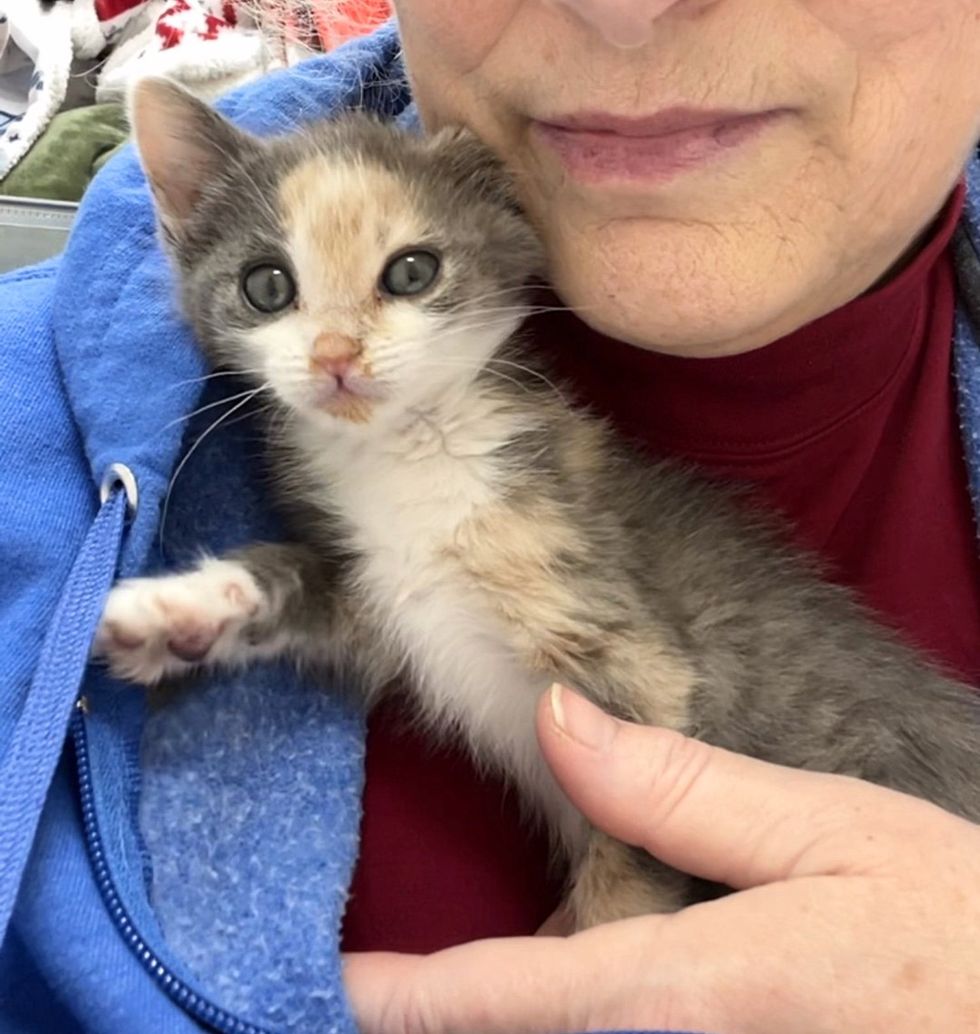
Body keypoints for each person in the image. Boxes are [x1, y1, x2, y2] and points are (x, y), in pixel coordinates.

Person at [1, 2, 978, 1032]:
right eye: (274, 286)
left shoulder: (516, 472)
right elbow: (403, 603)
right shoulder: (39, 428)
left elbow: (610, 674)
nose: (629, 10)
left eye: (405, 274)